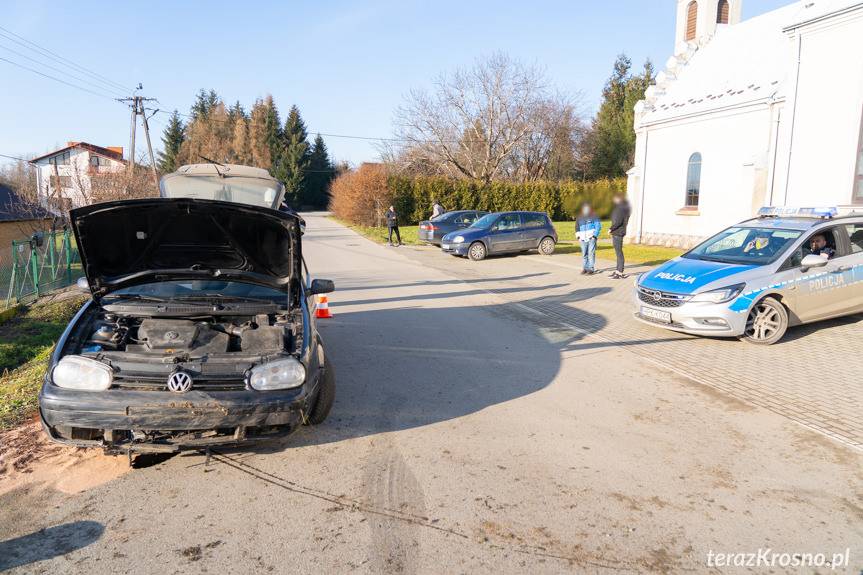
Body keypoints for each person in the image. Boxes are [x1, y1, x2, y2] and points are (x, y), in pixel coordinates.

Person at [608, 194, 631, 279]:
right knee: (618, 253)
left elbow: (618, 221)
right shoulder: (623, 208)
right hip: (617, 232)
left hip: (618, 232)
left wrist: (611, 229)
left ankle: (620, 272)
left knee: (619, 253)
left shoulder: (621, 209)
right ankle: (618, 271)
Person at [576, 203, 602, 275]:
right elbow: (577, 227)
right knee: (584, 254)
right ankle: (585, 268)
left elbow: (598, 226)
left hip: (591, 238)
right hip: (582, 239)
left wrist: (594, 236)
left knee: (591, 253)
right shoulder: (579, 217)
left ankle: (591, 269)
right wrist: (578, 237)